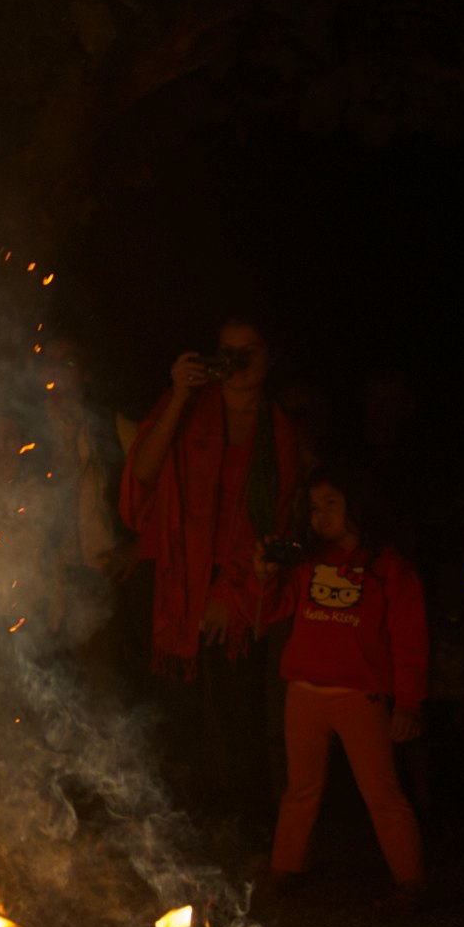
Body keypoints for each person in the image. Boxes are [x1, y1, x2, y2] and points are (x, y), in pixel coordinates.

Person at [121, 318, 302, 823]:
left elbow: (276, 523)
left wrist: (229, 593)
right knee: (177, 712)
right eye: (228, 352)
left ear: (270, 359)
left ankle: (249, 828)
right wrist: (178, 394)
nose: (239, 363)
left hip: (238, 584)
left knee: (238, 712)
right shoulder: (190, 407)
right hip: (178, 578)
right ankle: (183, 826)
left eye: (251, 351)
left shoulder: (277, 430)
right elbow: (142, 474)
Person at [267, 470, 428, 903]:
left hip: (360, 697)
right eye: (314, 507)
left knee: (382, 793)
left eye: (330, 503)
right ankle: (285, 868)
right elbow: (272, 610)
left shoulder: (388, 568)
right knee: (301, 789)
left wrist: (408, 705)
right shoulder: (305, 564)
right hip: (304, 693)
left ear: (357, 505)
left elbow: (410, 641)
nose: (320, 515)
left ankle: (410, 879)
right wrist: (263, 575)